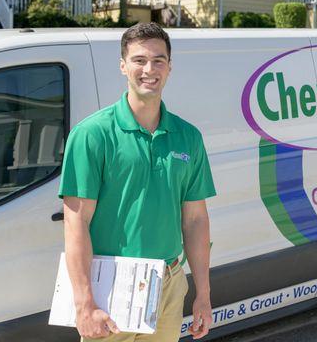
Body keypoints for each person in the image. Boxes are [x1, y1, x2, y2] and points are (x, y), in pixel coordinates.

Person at [59, 22, 216, 341]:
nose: (149, 69)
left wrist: (203, 293)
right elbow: (76, 222)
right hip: (112, 287)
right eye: (139, 60)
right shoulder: (92, 135)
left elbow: (196, 220)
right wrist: (84, 303)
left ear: (170, 67)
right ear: (123, 66)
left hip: (169, 282)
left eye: (159, 60)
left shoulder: (188, 137)